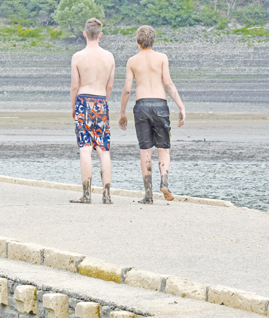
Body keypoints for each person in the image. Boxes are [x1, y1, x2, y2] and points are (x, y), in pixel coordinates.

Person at [118, 25, 186, 204]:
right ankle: (164, 182)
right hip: (160, 105)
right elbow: (168, 84)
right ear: (154, 40)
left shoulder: (132, 61)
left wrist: (122, 112)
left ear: (137, 41)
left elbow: (127, 90)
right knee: (163, 148)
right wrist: (181, 106)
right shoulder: (162, 58)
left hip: (141, 106)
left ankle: (148, 195)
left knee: (145, 149)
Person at [69, 18, 116, 204]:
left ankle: (87, 194)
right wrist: (103, 102)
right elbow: (110, 85)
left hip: (83, 101)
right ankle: (107, 194)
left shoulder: (78, 57)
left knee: (85, 148)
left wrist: (74, 106)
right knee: (103, 149)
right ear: (100, 35)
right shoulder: (109, 57)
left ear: (84, 34)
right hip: (100, 101)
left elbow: (74, 86)